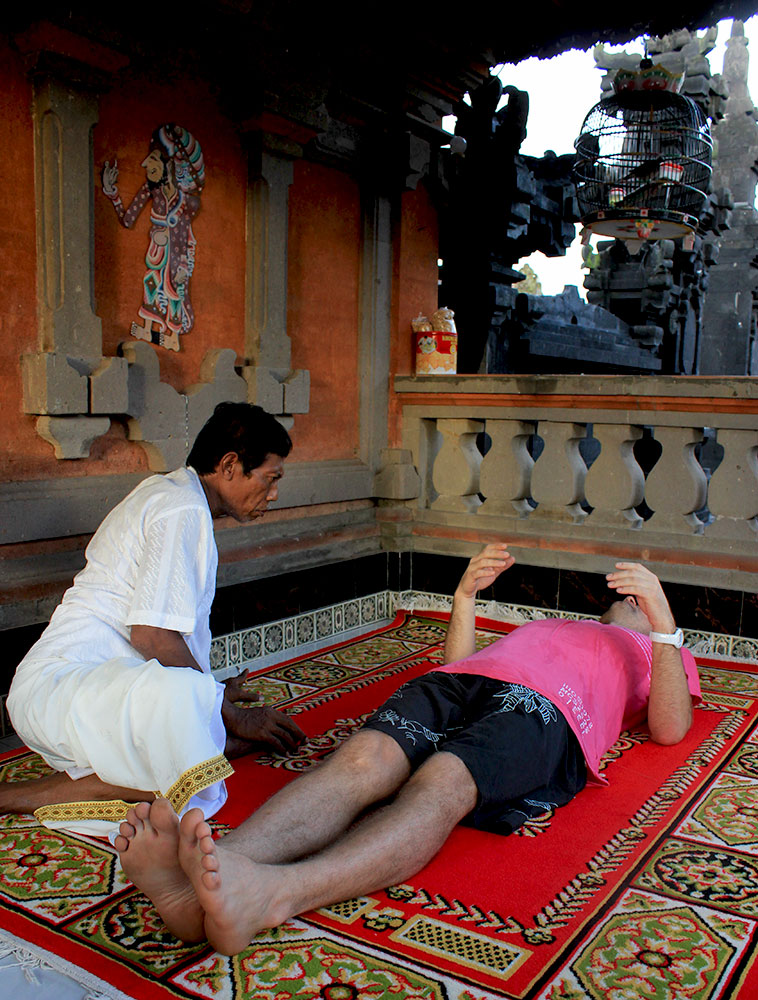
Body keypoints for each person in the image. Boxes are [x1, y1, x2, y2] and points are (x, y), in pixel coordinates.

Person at [113, 542, 700, 955]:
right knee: (360, 762)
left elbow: (670, 727)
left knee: (442, 782)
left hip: (547, 709)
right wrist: (466, 596)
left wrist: (663, 620)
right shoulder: (548, 626)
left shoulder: (658, 649)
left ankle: (274, 894)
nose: (631, 600)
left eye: (645, 600)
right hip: (460, 684)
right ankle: (206, 886)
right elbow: (458, 664)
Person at [4, 403, 305, 839]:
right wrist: (227, 710)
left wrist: (210, 694)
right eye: (270, 478)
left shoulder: (178, 498)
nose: (274, 494)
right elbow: (153, 636)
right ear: (229, 466)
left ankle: (187, 740)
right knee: (194, 750)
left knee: (195, 727)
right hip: (60, 690)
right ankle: (20, 795)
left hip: (97, 693)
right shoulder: (179, 507)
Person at [102, 123, 205, 352]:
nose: (145, 164)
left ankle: (172, 337)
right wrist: (113, 193)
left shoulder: (186, 203)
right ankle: (150, 329)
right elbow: (128, 220)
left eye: (153, 159)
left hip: (176, 263)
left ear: (170, 163)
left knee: (173, 292)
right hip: (156, 256)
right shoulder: (152, 191)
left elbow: (188, 238)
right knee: (151, 284)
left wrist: (185, 268)